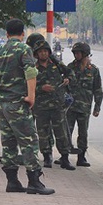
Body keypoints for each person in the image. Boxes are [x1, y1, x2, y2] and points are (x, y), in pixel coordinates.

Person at [0, 18, 55, 195]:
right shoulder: (24, 49)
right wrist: (31, 96)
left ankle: (12, 181)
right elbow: (30, 73)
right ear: (22, 33)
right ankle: (34, 181)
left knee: (9, 142)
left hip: (2, 104)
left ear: (6, 34)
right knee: (29, 141)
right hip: (18, 103)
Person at [32, 39, 76, 170]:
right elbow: (27, 85)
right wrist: (40, 88)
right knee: (43, 133)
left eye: (46, 51)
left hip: (57, 105)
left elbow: (70, 73)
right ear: (36, 54)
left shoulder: (56, 65)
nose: (44, 54)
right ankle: (46, 157)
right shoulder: (33, 68)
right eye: (41, 52)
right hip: (41, 107)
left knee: (61, 132)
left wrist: (68, 79)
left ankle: (65, 158)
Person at [63, 42, 103, 167]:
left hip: (84, 108)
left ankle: (82, 157)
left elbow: (98, 90)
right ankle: (64, 156)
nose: (76, 55)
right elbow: (63, 86)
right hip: (70, 107)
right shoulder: (70, 68)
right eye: (75, 53)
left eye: (78, 53)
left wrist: (97, 107)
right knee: (66, 131)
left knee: (83, 133)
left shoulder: (94, 70)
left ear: (85, 53)